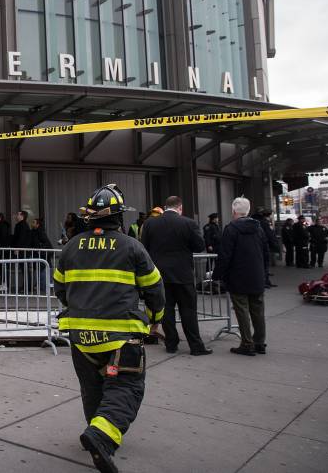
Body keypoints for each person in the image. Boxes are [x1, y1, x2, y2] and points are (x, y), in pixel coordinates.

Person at [55, 184, 165, 473]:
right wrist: (155, 318)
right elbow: (154, 289)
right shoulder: (132, 246)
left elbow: (60, 289)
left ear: (90, 217)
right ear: (119, 218)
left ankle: (95, 432)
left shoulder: (71, 246)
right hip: (121, 336)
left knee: (92, 388)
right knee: (127, 387)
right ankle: (101, 436)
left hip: (81, 337)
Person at [140, 195, 211, 356]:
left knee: (166, 310)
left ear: (165, 207)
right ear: (180, 208)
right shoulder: (188, 223)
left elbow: (143, 248)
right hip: (183, 274)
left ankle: (171, 344)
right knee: (188, 310)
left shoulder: (150, 223)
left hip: (160, 275)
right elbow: (199, 246)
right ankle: (196, 345)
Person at [213, 197, 269, 356]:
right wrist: (264, 274)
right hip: (257, 275)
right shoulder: (258, 228)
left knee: (242, 310)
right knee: (258, 310)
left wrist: (218, 275)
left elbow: (225, 255)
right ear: (248, 211)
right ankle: (259, 342)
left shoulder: (231, 229)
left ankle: (247, 343)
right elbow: (265, 253)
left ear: (233, 211)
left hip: (238, 276)